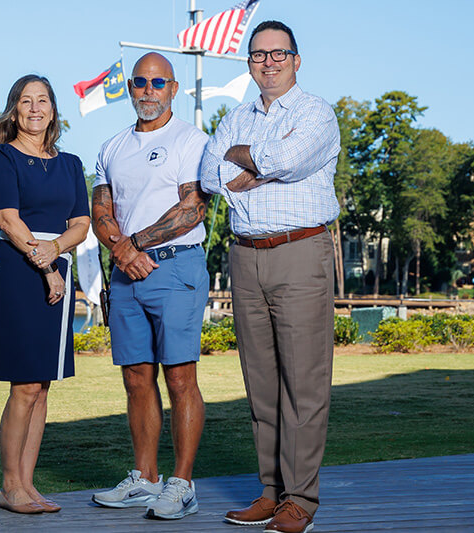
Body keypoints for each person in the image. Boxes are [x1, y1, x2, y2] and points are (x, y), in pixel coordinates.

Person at [200, 20, 340, 533]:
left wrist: (250, 158)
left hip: (299, 251)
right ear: (250, 63)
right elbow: (210, 175)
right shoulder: (237, 115)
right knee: (260, 383)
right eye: (259, 55)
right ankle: (270, 491)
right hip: (245, 254)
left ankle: (299, 498)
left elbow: (290, 158)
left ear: (296, 60)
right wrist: (255, 163)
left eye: (279, 54)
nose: (269, 62)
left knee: (303, 382)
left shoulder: (315, 112)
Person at [90, 52, 210, 520]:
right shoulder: (112, 146)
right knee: (136, 378)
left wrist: (133, 244)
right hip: (127, 275)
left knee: (180, 378)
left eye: (158, 82)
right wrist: (122, 248)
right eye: (140, 82)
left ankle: (182, 484)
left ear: (174, 88)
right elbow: (102, 210)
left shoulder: (191, 139)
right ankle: (145, 479)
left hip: (175, 268)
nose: (148, 90)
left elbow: (192, 209)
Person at [0, 75, 90, 514]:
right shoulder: (1, 156)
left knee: (43, 386)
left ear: (52, 109)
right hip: (19, 269)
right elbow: (7, 219)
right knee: (24, 384)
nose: (34, 108)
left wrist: (57, 251)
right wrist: (45, 267)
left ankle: (27, 484)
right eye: (25, 101)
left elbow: (81, 224)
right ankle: (9, 486)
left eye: (42, 100)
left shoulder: (71, 163)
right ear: (14, 110)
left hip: (56, 263)